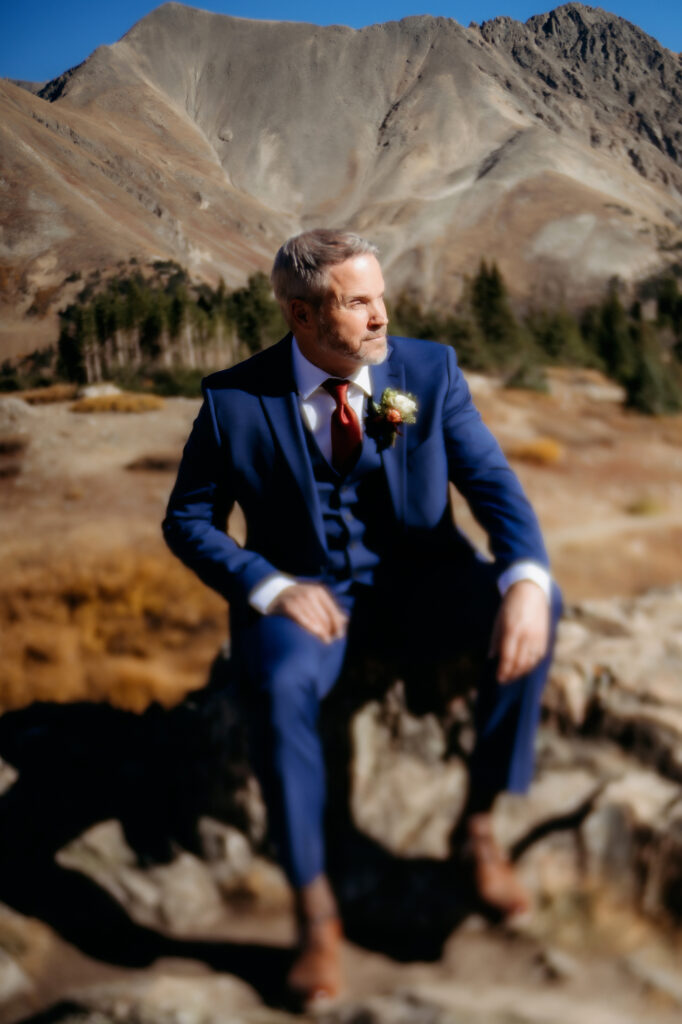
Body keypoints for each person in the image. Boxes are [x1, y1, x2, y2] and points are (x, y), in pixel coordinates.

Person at [163, 229, 562, 1006]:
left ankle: (478, 822)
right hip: (307, 594)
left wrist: (524, 576)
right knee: (278, 694)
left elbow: (490, 481)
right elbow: (188, 520)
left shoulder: (426, 370)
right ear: (303, 316)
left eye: (381, 295)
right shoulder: (231, 401)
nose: (383, 316)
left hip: (423, 583)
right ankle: (315, 913)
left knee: (534, 611)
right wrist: (268, 587)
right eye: (359, 303)